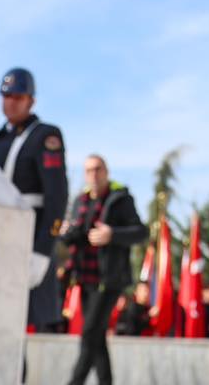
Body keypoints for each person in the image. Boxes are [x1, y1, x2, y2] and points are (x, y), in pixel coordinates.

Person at [0, 67, 68, 331]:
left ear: (31, 100)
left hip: (27, 240)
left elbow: (56, 196)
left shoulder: (45, 136)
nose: (10, 102)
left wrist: (42, 251)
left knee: (19, 327)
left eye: (18, 97)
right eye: (6, 96)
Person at [60, 155, 145, 385]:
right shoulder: (80, 200)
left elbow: (140, 232)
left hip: (109, 280)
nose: (93, 174)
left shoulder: (120, 199)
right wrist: (67, 233)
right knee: (97, 339)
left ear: (106, 171)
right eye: (88, 170)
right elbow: (77, 236)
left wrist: (112, 235)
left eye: (98, 169)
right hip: (84, 278)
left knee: (88, 334)